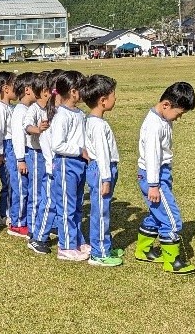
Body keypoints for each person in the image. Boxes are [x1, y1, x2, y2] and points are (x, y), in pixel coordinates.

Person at [134, 81, 195, 275]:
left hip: (161, 173)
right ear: (166, 105)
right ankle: (172, 261)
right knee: (171, 219)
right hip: (154, 176)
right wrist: (153, 185)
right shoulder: (154, 126)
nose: (178, 118)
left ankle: (143, 250)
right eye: (178, 114)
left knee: (156, 214)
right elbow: (152, 157)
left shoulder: (163, 119)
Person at [82, 74, 123, 266]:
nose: (116, 99)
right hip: (101, 171)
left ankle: (104, 246)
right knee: (101, 212)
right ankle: (98, 253)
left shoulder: (91, 121)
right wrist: (106, 178)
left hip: (103, 170)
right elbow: (102, 154)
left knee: (103, 209)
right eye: (113, 95)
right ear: (103, 100)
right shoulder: (98, 125)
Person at [49, 70, 91, 261]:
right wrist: (78, 150)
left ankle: (77, 240)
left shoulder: (80, 113)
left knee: (77, 205)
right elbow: (57, 144)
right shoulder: (62, 116)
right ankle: (65, 246)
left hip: (80, 164)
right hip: (66, 164)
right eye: (82, 89)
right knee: (67, 206)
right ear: (73, 92)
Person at [28, 69, 64, 255]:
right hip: (51, 166)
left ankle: (58, 231)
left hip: (61, 168)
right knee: (48, 202)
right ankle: (38, 237)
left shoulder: (62, 113)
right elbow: (31, 131)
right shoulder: (48, 116)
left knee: (57, 202)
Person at [8, 72, 36, 237]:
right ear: (27, 90)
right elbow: (18, 137)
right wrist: (20, 159)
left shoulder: (28, 109)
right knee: (20, 189)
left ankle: (24, 219)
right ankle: (17, 223)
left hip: (25, 154)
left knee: (25, 188)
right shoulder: (20, 111)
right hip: (19, 155)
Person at [23, 71, 50, 236]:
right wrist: (38, 129)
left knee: (45, 191)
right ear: (45, 91)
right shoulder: (33, 108)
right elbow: (27, 126)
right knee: (36, 192)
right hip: (35, 153)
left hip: (48, 154)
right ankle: (32, 228)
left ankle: (43, 223)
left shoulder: (51, 108)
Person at [0, 71, 16, 227]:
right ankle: (4, 214)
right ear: (6, 88)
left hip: (13, 146)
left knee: (14, 181)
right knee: (8, 182)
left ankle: (12, 211)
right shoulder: (0, 108)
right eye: (15, 86)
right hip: (6, 147)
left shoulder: (11, 107)